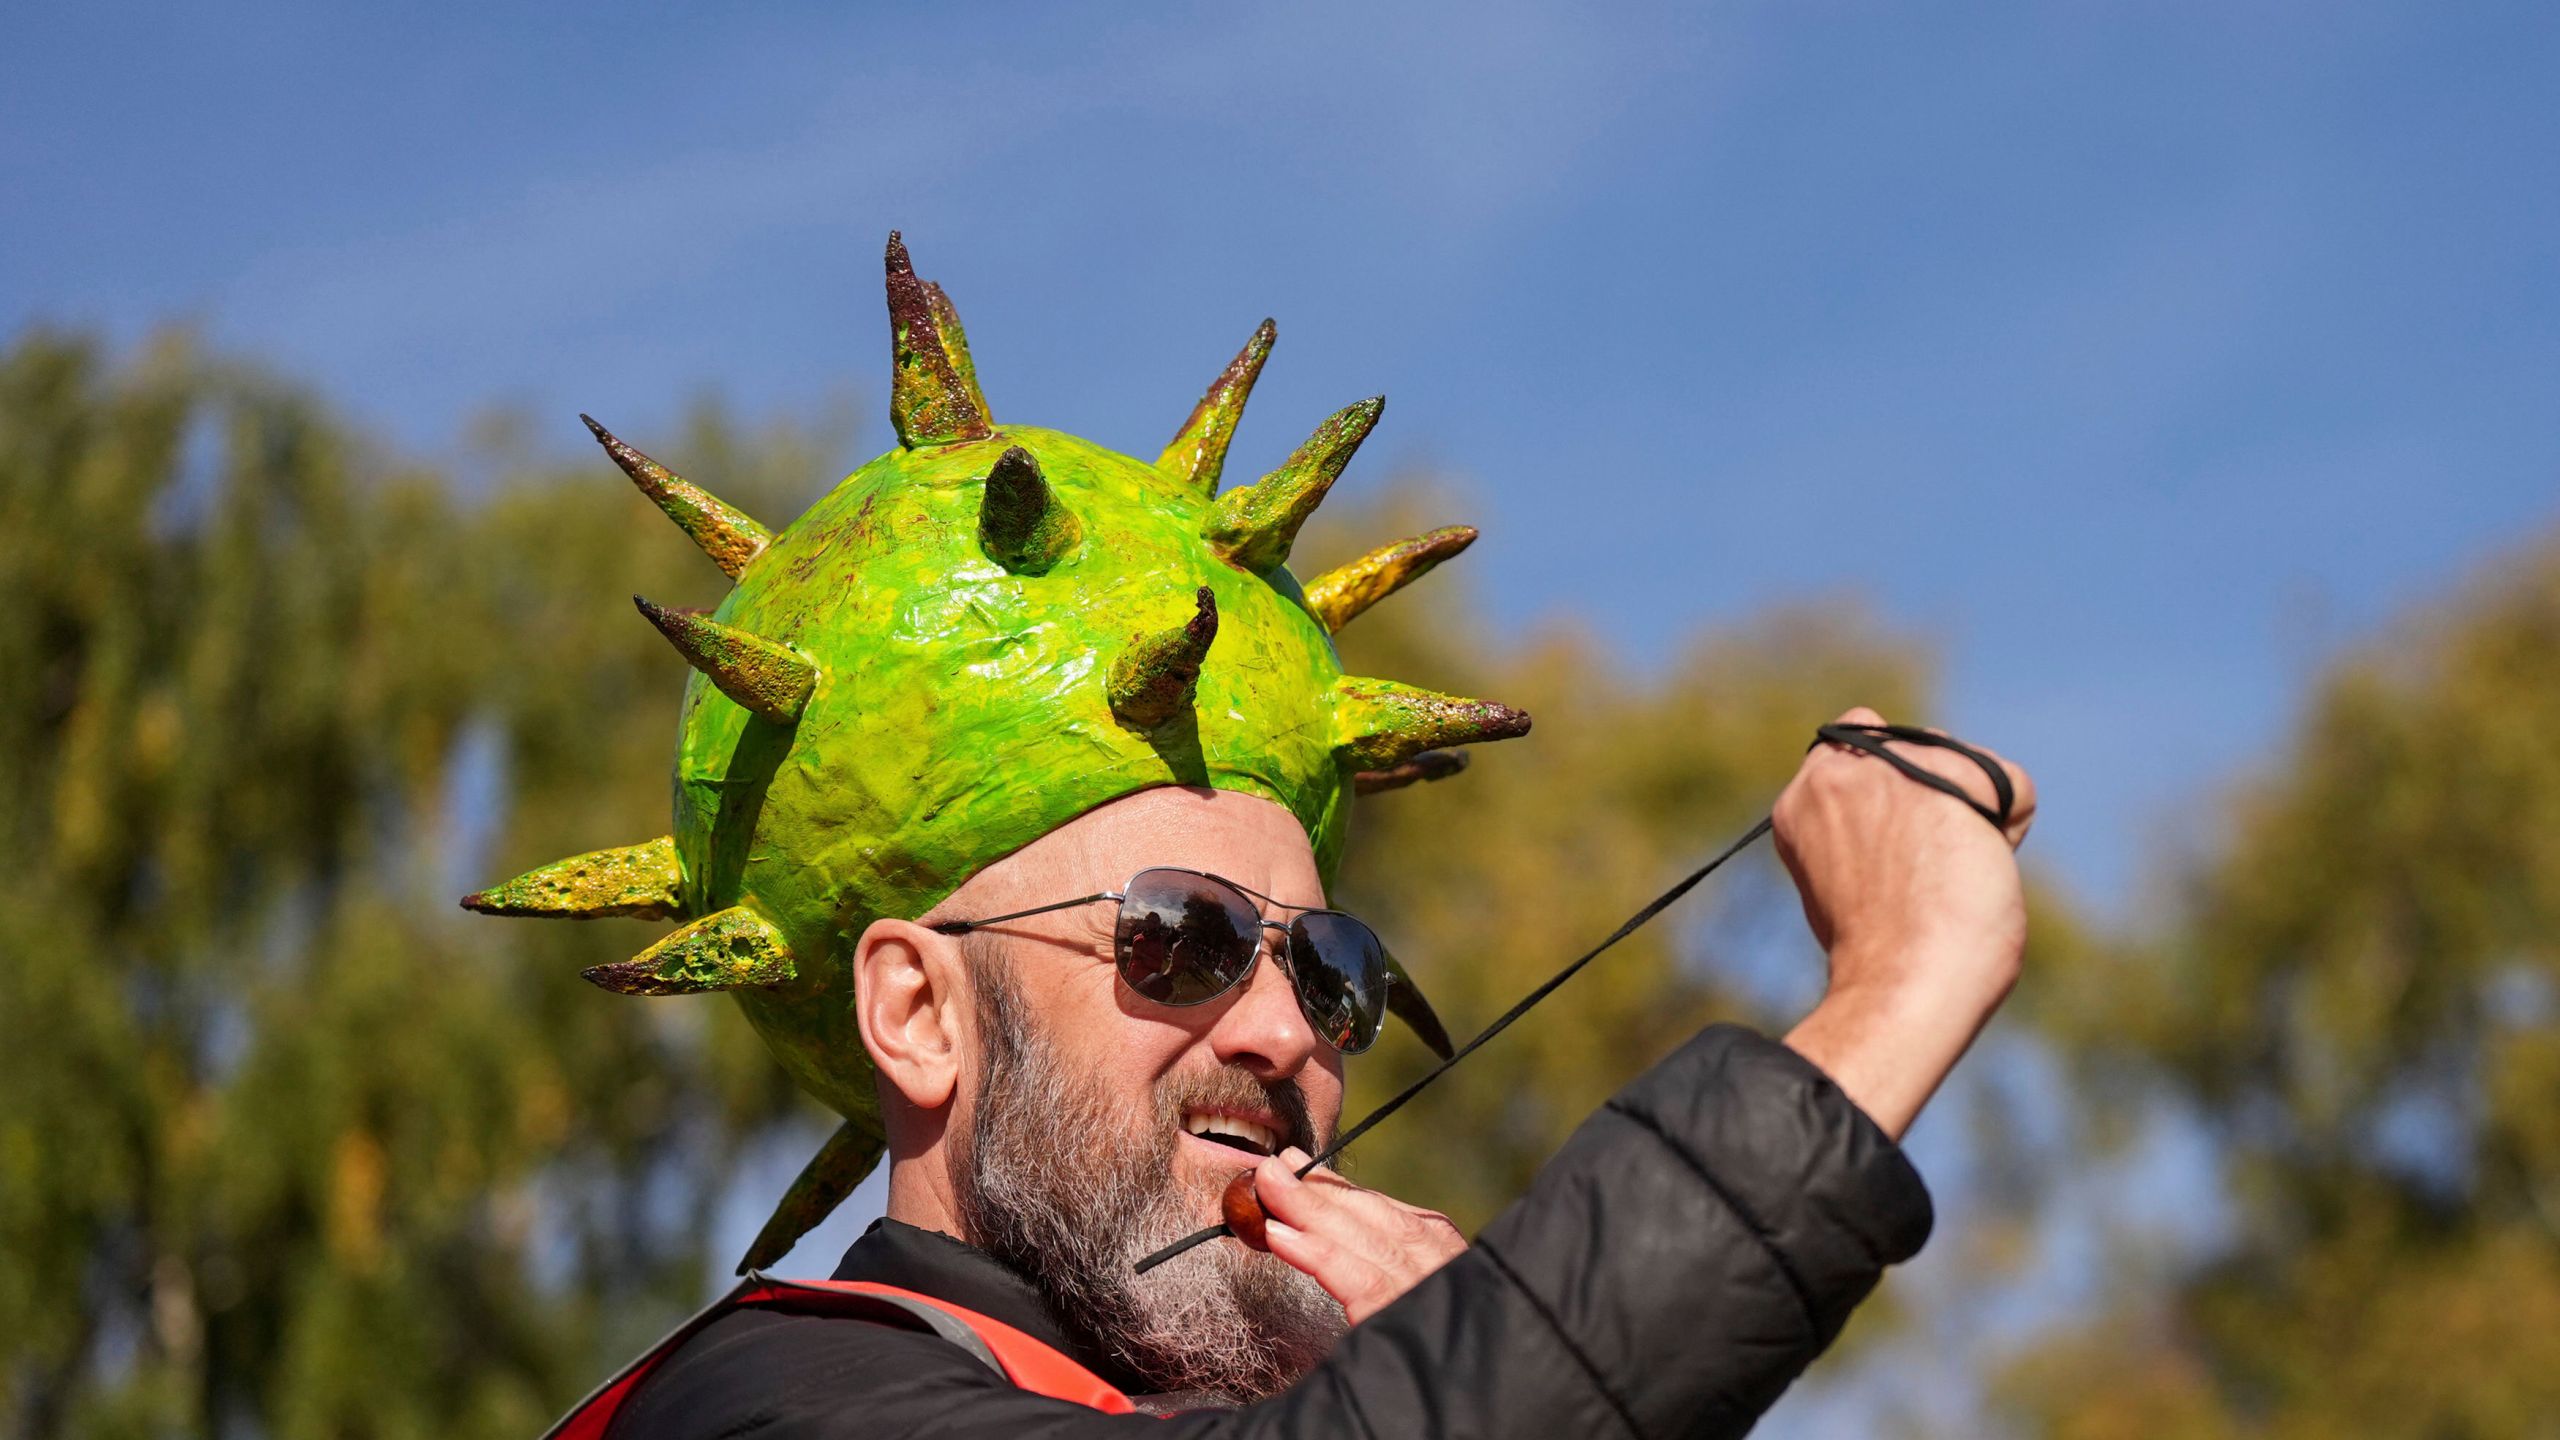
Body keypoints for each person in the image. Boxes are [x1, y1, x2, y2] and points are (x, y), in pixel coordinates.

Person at [463, 237, 2034, 1438]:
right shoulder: (768, 1402)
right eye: (1181, 934)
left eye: (1331, 965)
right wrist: (1900, 987)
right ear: (916, 1010)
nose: (1289, 1031)